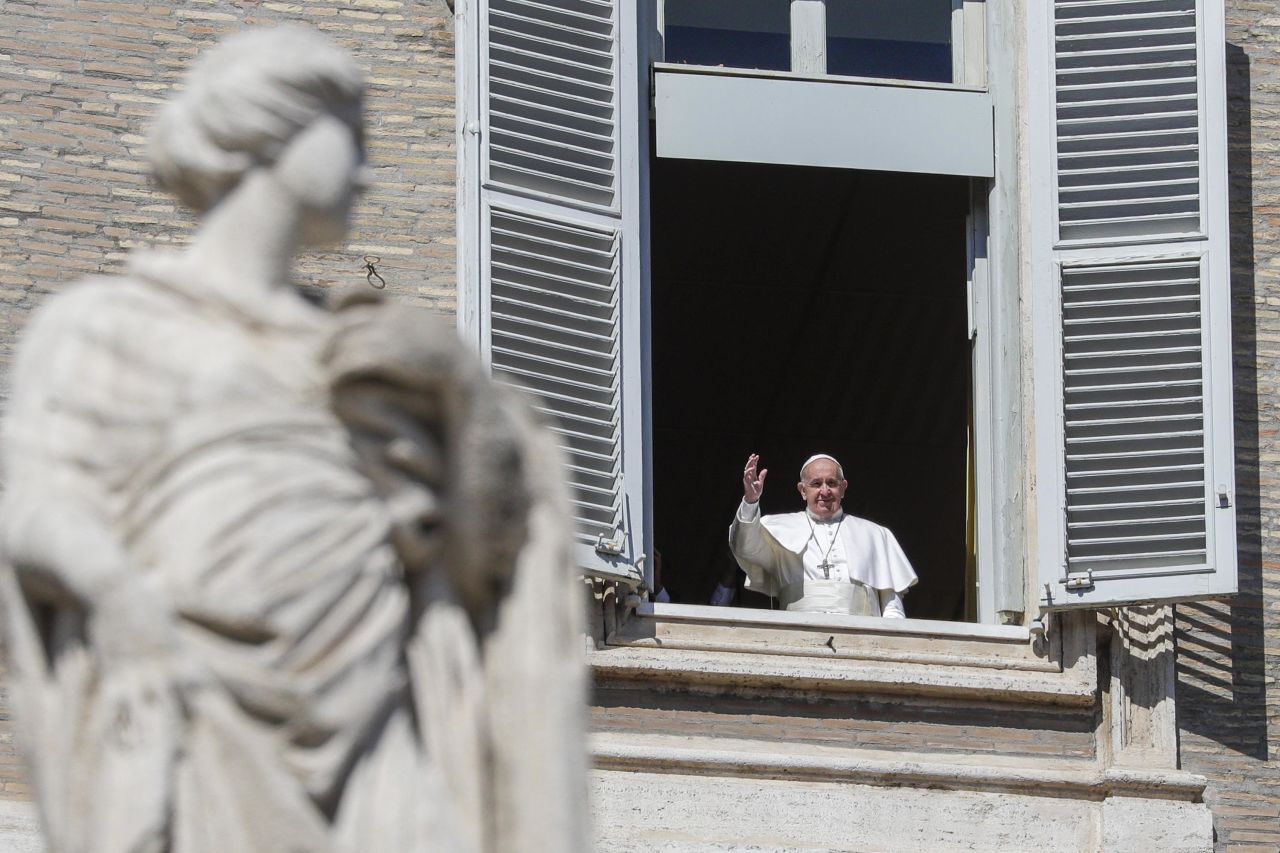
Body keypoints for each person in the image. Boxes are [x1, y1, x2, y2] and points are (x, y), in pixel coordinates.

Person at [0, 26, 586, 853]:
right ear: (268, 129)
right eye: (350, 136)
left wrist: (465, 397)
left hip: (378, 721)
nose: (368, 169)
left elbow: (478, 565)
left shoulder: (372, 355)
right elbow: (33, 505)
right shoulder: (106, 325)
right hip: (203, 705)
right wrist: (120, 600)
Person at [729, 453, 917, 617]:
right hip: (797, 631)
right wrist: (750, 501)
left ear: (843, 488)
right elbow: (745, 547)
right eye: (816, 483)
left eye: (832, 483)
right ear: (803, 490)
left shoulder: (875, 534)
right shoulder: (778, 528)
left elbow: (891, 603)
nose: (824, 491)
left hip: (862, 634)